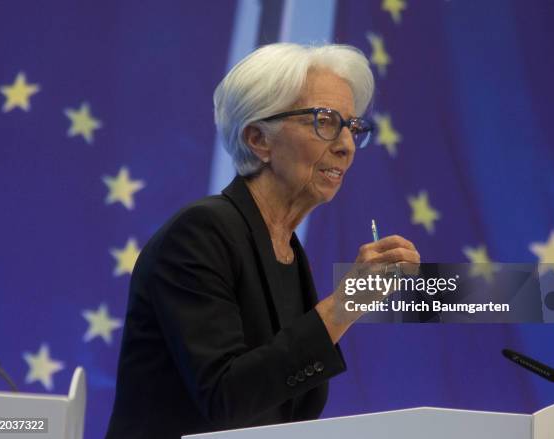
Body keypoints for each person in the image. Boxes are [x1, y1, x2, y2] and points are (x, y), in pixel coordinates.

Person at [105, 43, 420, 439]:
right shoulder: (201, 233)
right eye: (325, 121)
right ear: (259, 139)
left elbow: (284, 408)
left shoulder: (287, 249)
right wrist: (343, 306)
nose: (346, 145)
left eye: (353, 127)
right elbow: (227, 398)